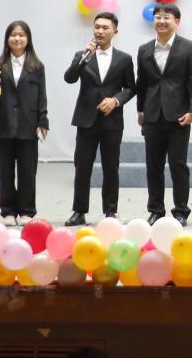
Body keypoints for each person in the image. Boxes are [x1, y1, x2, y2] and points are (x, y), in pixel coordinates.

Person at [62, 12, 136, 226]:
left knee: (111, 167)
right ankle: (79, 211)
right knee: (82, 166)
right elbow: (69, 78)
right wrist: (83, 58)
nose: (100, 31)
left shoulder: (124, 59)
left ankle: (110, 211)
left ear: (115, 32)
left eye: (105, 28)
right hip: (86, 119)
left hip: (112, 121)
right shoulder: (82, 55)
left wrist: (116, 100)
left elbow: (131, 87)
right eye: (97, 27)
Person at [135, 3, 192, 226]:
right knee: (153, 166)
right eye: (158, 17)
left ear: (177, 21)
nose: (162, 21)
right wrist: (140, 110)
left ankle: (181, 210)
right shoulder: (144, 49)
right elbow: (142, 83)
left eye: (167, 17)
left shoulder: (189, 47)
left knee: (178, 165)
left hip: (178, 115)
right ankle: (155, 210)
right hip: (152, 114)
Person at [0, 20, 48, 226]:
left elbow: (42, 96)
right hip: (3, 125)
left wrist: (43, 121)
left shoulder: (37, 66)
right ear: (7, 39)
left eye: (21, 35)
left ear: (28, 39)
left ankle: (27, 210)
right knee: (5, 171)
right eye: (13, 35)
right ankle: (8, 211)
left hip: (29, 125)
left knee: (28, 171)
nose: (17, 38)